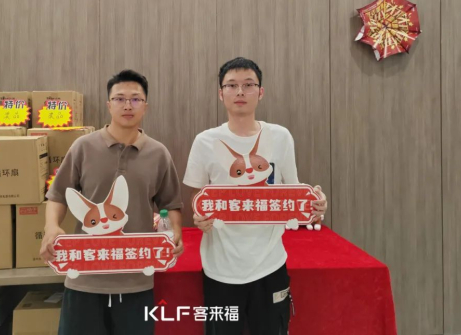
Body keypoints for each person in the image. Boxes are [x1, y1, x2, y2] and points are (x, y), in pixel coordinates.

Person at [184, 57, 328, 335]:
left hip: (270, 264)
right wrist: (199, 216)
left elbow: (293, 191)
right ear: (221, 93)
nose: (240, 91)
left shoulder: (280, 136)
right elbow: (198, 197)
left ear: (260, 92)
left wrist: (314, 204)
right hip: (220, 268)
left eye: (248, 84)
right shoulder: (205, 141)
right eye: (232, 85)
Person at [40, 69, 184, 335]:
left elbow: (171, 203)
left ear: (145, 106)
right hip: (84, 276)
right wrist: (51, 227)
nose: (127, 105)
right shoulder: (83, 147)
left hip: (137, 278)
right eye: (119, 99)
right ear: (109, 105)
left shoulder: (158, 153)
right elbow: (58, 195)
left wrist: (175, 232)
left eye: (136, 99)